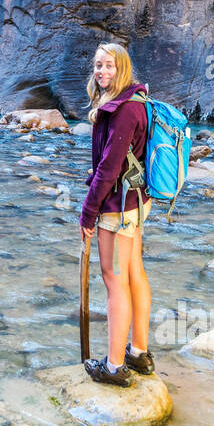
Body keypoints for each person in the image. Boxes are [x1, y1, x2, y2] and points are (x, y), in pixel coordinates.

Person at [78, 42, 154, 386]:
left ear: (122, 68)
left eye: (109, 65)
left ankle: (113, 366)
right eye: (98, 65)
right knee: (135, 273)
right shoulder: (139, 100)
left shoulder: (123, 110)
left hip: (117, 208)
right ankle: (138, 352)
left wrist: (87, 213)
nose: (102, 71)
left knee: (114, 281)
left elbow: (109, 169)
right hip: (137, 202)